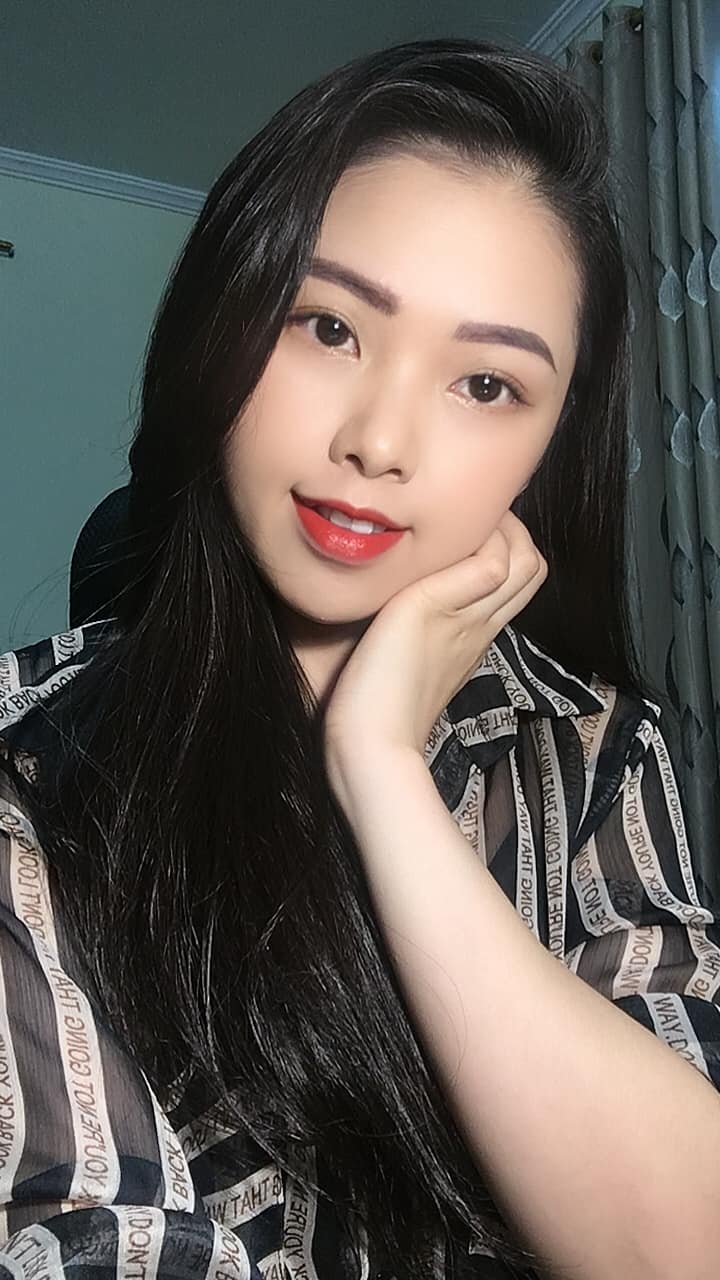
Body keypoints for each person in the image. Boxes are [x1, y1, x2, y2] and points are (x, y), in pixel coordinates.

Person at [0, 35, 719, 1280]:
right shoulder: (28, 758)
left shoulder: (592, 747)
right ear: (225, 323)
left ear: (547, 446)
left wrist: (379, 767)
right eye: (328, 325)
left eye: (486, 384)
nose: (380, 440)